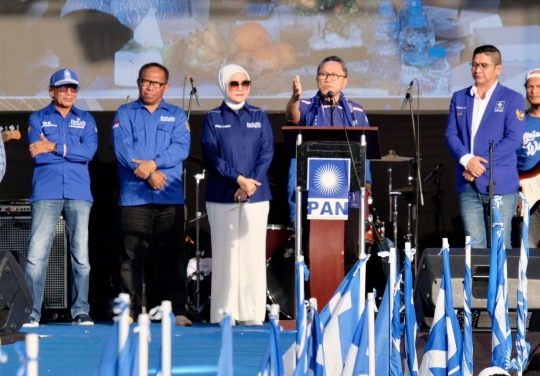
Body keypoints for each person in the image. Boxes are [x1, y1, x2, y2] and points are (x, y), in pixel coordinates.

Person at [111, 62, 192, 326]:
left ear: (165, 87)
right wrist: (148, 172)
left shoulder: (178, 115)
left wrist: (154, 164)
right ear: (138, 83)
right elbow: (122, 149)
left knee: (173, 255)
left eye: (156, 83)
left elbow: (181, 148)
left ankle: (176, 309)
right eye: (146, 81)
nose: (150, 87)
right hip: (134, 196)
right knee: (131, 256)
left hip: (169, 196)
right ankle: (129, 310)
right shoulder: (125, 112)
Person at [285, 55, 374, 274]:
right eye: (323, 74)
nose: (328, 79)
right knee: (316, 255)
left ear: (345, 81)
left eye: (334, 75)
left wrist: (367, 184)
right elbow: (292, 116)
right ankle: (317, 306)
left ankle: (348, 306)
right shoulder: (307, 106)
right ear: (317, 79)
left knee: (351, 255)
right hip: (315, 194)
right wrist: (295, 98)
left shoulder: (356, 112)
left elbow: (366, 152)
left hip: (350, 196)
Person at [23, 69, 98, 327]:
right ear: (51, 91)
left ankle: (81, 311)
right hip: (46, 192)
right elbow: (38, 154)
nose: (69, 92)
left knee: (82, 258)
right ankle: (31, 312)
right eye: (63, 88)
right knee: (36, 256)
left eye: (73, 88)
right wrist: (68, 151)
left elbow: (88, 152)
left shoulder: (86, 119)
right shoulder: (37, 117)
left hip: (79, 192)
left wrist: (53, 146)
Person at [201, 64, 274, 325]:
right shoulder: (212, 118)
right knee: (225, 255)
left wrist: (249, 184)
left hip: (256, 195)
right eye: (234, 84)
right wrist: (239, 180)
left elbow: (266, 152)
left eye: (245, 83)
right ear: (224, 85)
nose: (240, 88)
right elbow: (211, 157)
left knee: (253, 255)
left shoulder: (259, 115)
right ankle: (224, 314)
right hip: (222, 195)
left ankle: (253, 314)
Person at [445, 45, 525, 249]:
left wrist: (477, 164)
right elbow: (451, 134)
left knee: (499, 243)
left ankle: (500, 283)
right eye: (474, 64)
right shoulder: (459, 97)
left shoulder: (512, 98)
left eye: (483, 65)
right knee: (474, 245)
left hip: (499, 184)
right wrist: (466, 160)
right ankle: (478, 282)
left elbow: (513, 139)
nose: (477, 69)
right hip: (468, 185)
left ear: (498, 69)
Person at [517, 68, 540, 248]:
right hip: (528, 193)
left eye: (539, 86)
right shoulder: (519, 121)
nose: (533, 91)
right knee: (528, 250)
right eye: (530, 87)